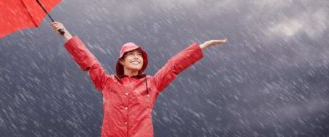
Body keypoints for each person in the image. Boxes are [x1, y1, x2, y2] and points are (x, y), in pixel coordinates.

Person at [51, 21, 226, 137]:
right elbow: (89, 60)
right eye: (131, 55)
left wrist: (202, 47)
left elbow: (174, 66)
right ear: (122, 60)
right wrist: (65, 33)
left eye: (139, 55)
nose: (136, 57)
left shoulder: (152, 83)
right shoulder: (107, 82)